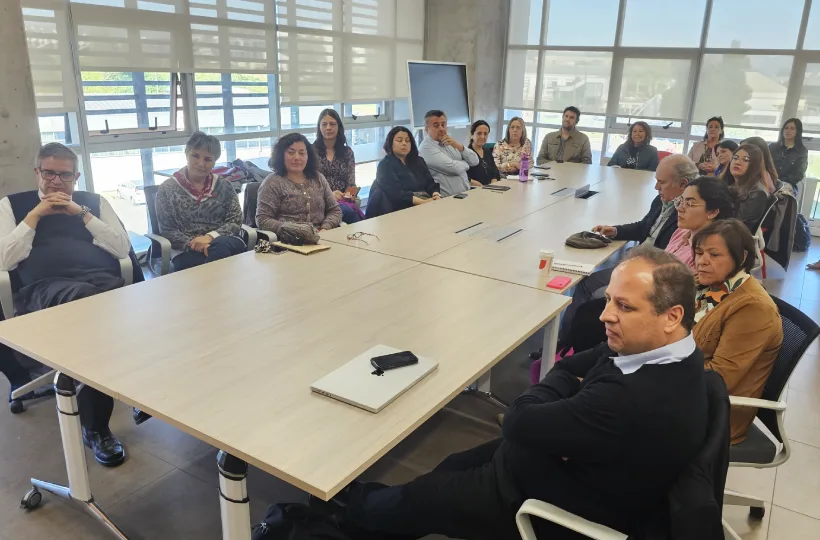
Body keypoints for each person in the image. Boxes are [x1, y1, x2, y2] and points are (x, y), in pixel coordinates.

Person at [337, 248, 707, 540]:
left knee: (427, 497)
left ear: (672, 316)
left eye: (624, 306)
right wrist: (566, 382)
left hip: (558, 502)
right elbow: (568, 367)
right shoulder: (665, 350)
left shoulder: (631, 397)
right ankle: (378, 514)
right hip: (570, 461)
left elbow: (518, 419)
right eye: (609, 299)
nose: (605, 315)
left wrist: (561, 385)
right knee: (450, 466)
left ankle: (345, 513)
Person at [0, 143, 137, 466]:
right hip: (43, 288)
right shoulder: (13, 205)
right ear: (37, 173)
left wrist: (82, 214)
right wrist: (35, 216)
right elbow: (4, 259)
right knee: (95, 317)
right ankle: (97, 427)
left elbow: (121, 249)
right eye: (49, 173)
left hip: (99, 282)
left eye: (65, 175)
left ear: (76, 177)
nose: (56, 182)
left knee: (112, 311)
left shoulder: (93, 202)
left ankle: (123, 389)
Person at [554, 154, 699, 346]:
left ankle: (567, 342)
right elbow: (645, 226)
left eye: (662, 182)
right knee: (588, 279)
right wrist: (615, 230)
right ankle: (568, 340)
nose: (656, 187)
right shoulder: (662, 200)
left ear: (682, 184)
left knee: (589, 286)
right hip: (640, 259)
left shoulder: (685, 217)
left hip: (648, 270)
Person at [692, 219, 782, 444]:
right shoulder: (711, 286)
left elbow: (719, 378)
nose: (702, 261)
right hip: (688, 390)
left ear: (742, 257)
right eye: (699, 252)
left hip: (715, 415)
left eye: (714, 255)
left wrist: (657, 368)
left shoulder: (753, 308)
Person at [156, 132, 246, 271]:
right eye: (195, 156)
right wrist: (197, 244)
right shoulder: (167, 189)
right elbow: (168, 230)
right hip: (187, 249)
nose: (201, 164)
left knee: (221, 247)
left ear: (215, 161)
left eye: (208, 159)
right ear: (186, 154)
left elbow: (235, 221)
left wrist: (210, 237)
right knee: (221, 262)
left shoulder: (224, 185)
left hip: (224, 241)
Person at [256, 133, 342, 244]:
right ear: (281, 155)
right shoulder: (272, 182)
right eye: (291, 153)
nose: (297, 157)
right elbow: (263, 220)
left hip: (322, 239)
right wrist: (295, 230)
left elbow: (335, 210)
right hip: (288, 242)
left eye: (302, 153)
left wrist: (325, 228)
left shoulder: (318, 178)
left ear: (308, 156)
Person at [365, 127, 441, 218]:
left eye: (407, 141)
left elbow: (430, 182)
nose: (404, 143)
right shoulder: (385, 165)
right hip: (399, 211)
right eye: (399, 140)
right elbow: (395, 194)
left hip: (426, 204)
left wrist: (435, 194)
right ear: (391, 143)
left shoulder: (418, 161)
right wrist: (424, 202)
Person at [665, 177, 737, 270]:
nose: (679, 208)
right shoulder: (681, 231)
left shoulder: (707, 252)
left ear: (712, 212)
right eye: (681, 201)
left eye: (689, 204)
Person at [313, 108, 362, 224]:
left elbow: (351, 182)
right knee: (350, 213)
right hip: (320, 200)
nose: (328, 128)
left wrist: (349, 194)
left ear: (338, 127)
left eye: (332, 124)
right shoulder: (310, 152)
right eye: (324, 124)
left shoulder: (347, 152)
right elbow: (308, 184)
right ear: (319, 128)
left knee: (352, 211)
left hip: (342, 199)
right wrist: (330, 195)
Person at [418, 110, 479, 197]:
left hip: (466, 194)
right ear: (427, 129)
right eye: (436, 125)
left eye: (443, 125)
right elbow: (454, 169)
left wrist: (458, 145)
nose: (441, 129)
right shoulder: (425, 148)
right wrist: (466, 163)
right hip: (447, 199)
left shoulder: (450, 141)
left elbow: (475, 161)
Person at [723, 144, 772, 232]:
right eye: (735, 158)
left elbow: (738, 228)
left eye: (745, 160)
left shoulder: (757, 193)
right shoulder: (730, 185)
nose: (737, 162)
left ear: (755, 165)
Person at [769, 118, 808, 194]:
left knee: (781, 194)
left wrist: (780, 182)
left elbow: (798, 174)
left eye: (792, 128)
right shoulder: (772, 147)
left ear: (797, 131)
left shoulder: (801, 151)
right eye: (786, 128)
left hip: (788, 184)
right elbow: (764, 165)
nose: (788, 131)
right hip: (769, 180)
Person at [466, 120, 501, 186]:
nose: (482, 137)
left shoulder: (488, 152)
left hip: (491, 188)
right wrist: (479, 185)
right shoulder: (466, 154)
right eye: (479, 133)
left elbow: (495, 171)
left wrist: (494, 180)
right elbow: (464, 177)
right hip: (475, 189)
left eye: (485, 134)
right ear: (472, 135)